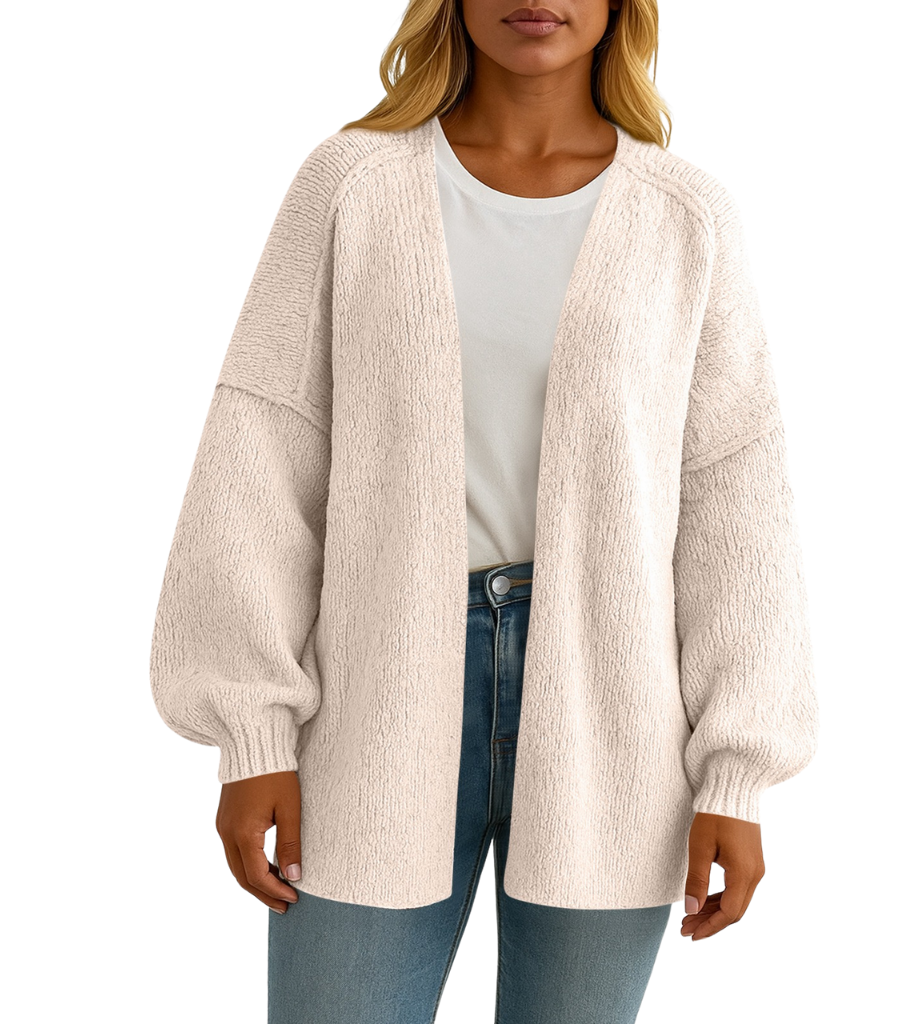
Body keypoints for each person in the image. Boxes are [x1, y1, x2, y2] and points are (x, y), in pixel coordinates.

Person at [149, 1, 819, 1021]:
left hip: (612, 712)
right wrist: (253, 734)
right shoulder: (352, 185)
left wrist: (738, 771)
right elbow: (264, 452)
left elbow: (736, 501)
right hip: (375, 692)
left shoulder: (686, 217)